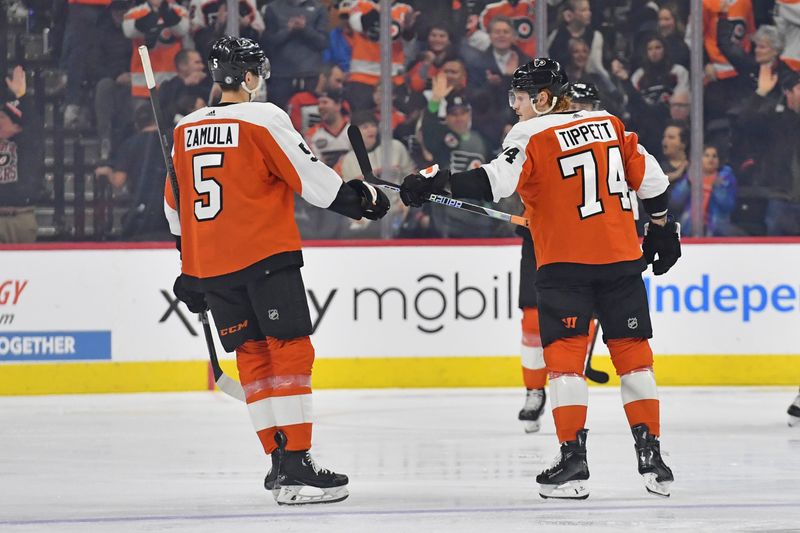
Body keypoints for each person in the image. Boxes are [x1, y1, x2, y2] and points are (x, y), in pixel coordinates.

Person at [398, 58, 680, 499]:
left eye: (521, 98)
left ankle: (573, 462)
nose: (516, 107)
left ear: (544, 98)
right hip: (622, 262)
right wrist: (661, 228)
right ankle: (652, 458)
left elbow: (494, 181)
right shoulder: (609, 123)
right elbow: (655, 184)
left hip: (565, 266)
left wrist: (436, 178)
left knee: (566, 363)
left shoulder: (530, 133)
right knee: (635, 358)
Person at [166, 36, 389, 505]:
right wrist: (360, 200)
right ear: (247, 77)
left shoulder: (184, 129)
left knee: (251, 357)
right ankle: (298, 464)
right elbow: (309, 177)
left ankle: (278, 461)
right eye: (257, 73)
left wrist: (189, 267)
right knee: (290, 353)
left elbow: (175, 210)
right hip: (264, 257)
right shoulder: (263, 118)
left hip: (211, 265)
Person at [516, 82, 602, 434]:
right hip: (541, 241)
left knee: (581, 323)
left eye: (587, 104)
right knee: (534, 321)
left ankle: (569, 392)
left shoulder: (606, 138)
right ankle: (535, 391)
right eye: (575, 102)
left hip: (586, 243)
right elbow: (515, 180)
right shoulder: (540, 134)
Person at [0, 66, 43, 244]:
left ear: (17, 127)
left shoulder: (27, 144)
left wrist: (22, 97)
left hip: (22, 218)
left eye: (2, 118)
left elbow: (33, 125)